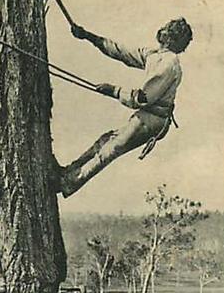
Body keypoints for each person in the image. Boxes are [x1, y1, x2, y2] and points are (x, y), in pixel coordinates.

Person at [58, 17, 193, 197]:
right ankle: (68, 172)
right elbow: (121, 52)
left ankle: (69, 183)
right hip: (148, 115)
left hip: (154, 119)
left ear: (171, 38)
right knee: (105, 141)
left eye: (168, 32)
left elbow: (143, 98)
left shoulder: (169, 63)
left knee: (112, 147)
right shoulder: (155, 55)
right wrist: (88, 36)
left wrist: (114, 90)